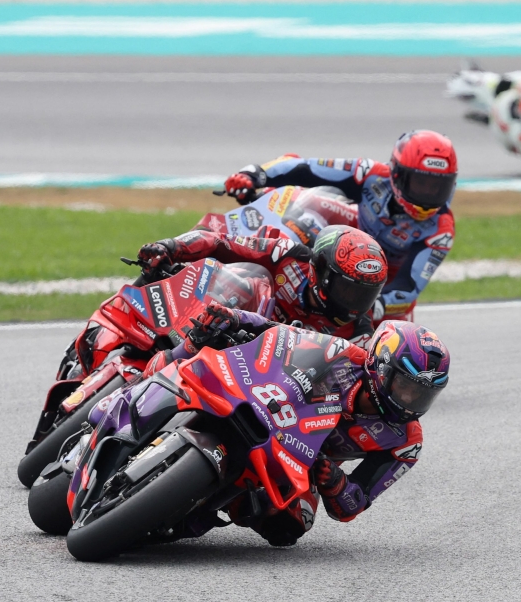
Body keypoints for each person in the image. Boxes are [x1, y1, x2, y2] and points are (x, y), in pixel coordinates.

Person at [144, 303, 451, 548]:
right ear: (380, 367)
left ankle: (200, 509)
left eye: (423, 395)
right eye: (406, 387)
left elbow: (354, 504)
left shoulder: (405, 441)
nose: (411, 401)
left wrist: (334, 483)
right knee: (194, 355)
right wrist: (235, 318)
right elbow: (277, 332)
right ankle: (136, 397)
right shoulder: (342, 354)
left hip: (304, 463)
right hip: (270, 408)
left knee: (289, 526)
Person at [220, 130, 458, 322]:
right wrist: (255, 175)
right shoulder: (370, 174)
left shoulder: (441, 230)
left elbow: (408, 287)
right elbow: (306, 168)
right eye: (421, 183)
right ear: (396, 173)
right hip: (344, 245)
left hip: (373, 292)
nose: (428, 194)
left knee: (384, 354)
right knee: (307, 199)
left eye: (438, 186)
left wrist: (374, 305)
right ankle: (234, 251)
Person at [138, 224, 387, 348]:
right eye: (348, 290)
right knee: (245, 285)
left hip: (261, 374)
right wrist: (170, 247)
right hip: (220, 323)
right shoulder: (289, 255)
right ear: (320, 272)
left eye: (366, 294)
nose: (355, 302)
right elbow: (220, 242)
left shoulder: (360, 334)